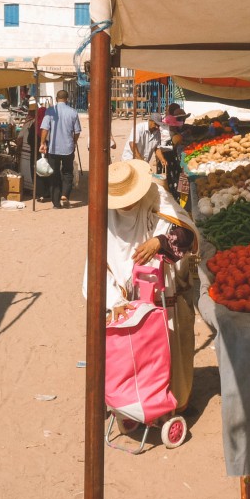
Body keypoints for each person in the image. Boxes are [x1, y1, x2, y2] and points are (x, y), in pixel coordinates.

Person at [86, 159, 200, 412]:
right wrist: (114, 301)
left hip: (163, 290)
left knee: (167, 349)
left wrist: (160, 241)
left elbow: (187, 233)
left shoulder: (158, 197)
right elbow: (94, 266)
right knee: (127, 354)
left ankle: (170, 404)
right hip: (122, 298)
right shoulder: (103, 214)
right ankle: (130, 404)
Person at [39, 90, 81, 209]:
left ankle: (56, 203)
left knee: (54, 175)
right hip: (68, 147)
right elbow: (77, 131)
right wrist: (74, 141)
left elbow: (45, 129)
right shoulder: (73, 112)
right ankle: (65, 195)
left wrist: (43, 143)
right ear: (67, 99)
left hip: (53, 148)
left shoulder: (50, 111)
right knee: (68, 173)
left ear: (57, 99)